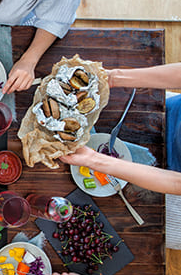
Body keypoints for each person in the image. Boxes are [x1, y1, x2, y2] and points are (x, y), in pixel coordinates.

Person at [60, 63, 181, 195]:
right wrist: (112, 77)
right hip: (167, 110)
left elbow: (176, 183)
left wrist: (94, 159)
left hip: (164, 169)